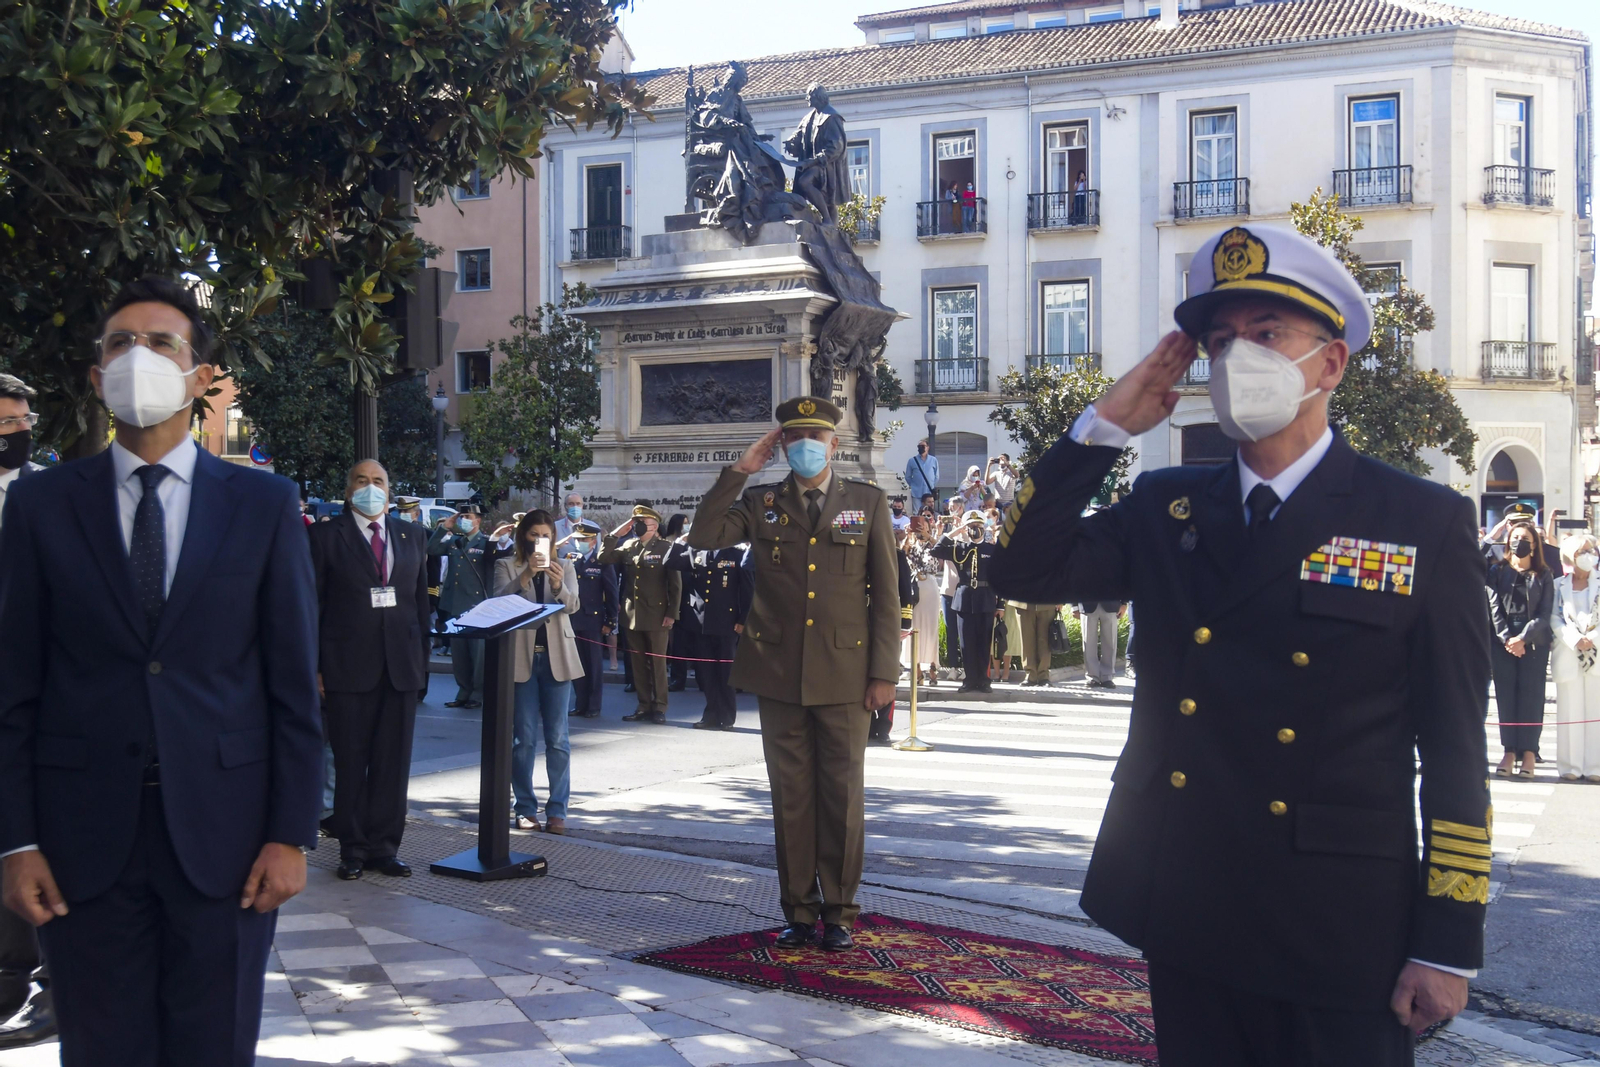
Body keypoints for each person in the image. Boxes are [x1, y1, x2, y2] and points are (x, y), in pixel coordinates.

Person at [989, 224, 1491, 1063]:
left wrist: (1446, 941)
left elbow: (1454, 749)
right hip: (1192, 903)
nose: (1235, 360)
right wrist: (1104, 426)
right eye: (1219, 342)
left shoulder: (1419, 522)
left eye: (1266, 336)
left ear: (1328, 365)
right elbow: (1019, 564)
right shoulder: (1167, 506)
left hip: (1339, 924)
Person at [0, 276, 322, 1065]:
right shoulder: (41, 506)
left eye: (162, 342)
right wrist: (15, 843)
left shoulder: (263, 503)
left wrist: (291, 833)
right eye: (119, 343)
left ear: (202, 374)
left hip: (229, 840)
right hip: (80, 842)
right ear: (94, 374)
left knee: (212, 1048)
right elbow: (14, 687)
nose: (137, 356)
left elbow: (292, 683)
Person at [688, 396, 899, 951]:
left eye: (816, 438)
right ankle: (800, 911)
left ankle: (840, 912)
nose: (805, 446)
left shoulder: (867, 503)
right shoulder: (761, 502)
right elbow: (703, 537)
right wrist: (739, 471)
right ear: (783, 445)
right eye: (794, 438)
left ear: (834, 444)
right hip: (778, 672)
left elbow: (884, 594)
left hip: (847, 673)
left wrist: (884, 674)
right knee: (792, 797)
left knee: (842, 796)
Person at [308, 460, 431, 881]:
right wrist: (317, 668)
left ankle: (384, 848)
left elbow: (420, 606)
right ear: (348, 490)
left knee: (392, 764)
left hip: (400, 668)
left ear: (390, 489)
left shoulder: (412, 535)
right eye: (362, 480)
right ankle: (353, 849)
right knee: (350, 761)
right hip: (346, 669)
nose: (371, 488)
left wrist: (422, 666)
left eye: (379, 480)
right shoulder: (324, 536)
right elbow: (313, 607)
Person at [0, 373, 54, 1052]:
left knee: (38, 837)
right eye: (2, 424)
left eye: (21, 420)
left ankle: (49, 985)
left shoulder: (53, 495)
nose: (15, 433)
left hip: (41, 703)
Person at [493, 511, 582, 835]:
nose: (540, 541)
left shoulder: (566, 565)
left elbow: (573, 606)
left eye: (546, 535)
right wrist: (526, 576)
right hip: (521, 658)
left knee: (558, 738)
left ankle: (557, 811)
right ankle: (526, 808)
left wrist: (558, 584)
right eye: (534, 535)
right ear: (523, 536)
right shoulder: (507, 565)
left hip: (558, 657)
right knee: (524, 739)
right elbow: (498, 602)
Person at [599, 505, 681, 724]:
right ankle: (644, 705)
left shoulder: (666, 548)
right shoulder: (628, 545)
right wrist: (615, 534)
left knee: (657, 664)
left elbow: (675, 585)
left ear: (654, 525)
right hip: (632, 615)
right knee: (637, 663)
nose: (637, 525)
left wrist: (672, 613)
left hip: (657, 614)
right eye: (635, 521)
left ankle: (660, 707)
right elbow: (603, 557)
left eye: (642, 521)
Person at [1487, 519, 1554, 779]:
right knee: (1506, 697)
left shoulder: (1544, 574)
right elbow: (1493, 608)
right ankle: (1509, 751)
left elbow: (1544, 613)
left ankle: (1528, 753)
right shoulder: (1497, 571)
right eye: (1514, 538)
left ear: (1534, 546)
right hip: (1503, 644)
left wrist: (1523, 639)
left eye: (1525, 538)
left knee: (1531, 696)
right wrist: (1507, 639)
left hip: (1533, 645)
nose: (1519, 543)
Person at [666, 539, 754, 730]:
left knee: (725, 672)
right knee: (706, 673)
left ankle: (727, 716)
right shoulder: (698, 552)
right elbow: (671, 562)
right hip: (701, 622)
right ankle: (711, 714)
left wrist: (742, 620)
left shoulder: (736, 553)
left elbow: (747, 589)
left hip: (726, 623)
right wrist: (682, 541)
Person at [429, 505, 490, 708]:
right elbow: (431, 549)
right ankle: (463, 691)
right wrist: (444, 527)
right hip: (455, 605)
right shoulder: (455, 542)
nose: (463, 519)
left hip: (476, 606)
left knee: (478, 655)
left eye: (468, 516)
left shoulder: (486, 543)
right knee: (460, 654)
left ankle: (477, 694)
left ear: (478, 520)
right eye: (461, 516)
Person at [931, 511, 998, 695]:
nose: (975, 530)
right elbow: (935, 550)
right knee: (966, 643)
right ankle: (969, 680)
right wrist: (955, 531)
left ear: (984, 528)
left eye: (978, 526)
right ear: (966, 529)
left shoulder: (992, 549)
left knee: (984, 642)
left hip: (985, 598)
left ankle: (984, 680)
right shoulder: (958, 548)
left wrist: (1000, 605)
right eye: (971, 526)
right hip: (964, 600)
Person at [1552, 533, 1600, 781]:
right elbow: (1554, 618)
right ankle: (1570, 766)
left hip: (1597, 653)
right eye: (1583, 551)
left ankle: (1595, 767)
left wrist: (1592, 639)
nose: (1589, 555)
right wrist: (1574, 639)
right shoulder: (1558, 584)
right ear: (1571, 556)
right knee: (1570, 711)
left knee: (1595, 710)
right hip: (1569, 653)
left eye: (1592, 550)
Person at [563, 522, 617, 719]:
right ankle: (580, 703)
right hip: (573, 618)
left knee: (593, 665)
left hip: (593, 620)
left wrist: (611, 621)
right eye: (577, 540)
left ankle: (594, 705)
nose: (580, 543)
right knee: (576, 664)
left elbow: (611, 592)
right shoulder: (570, 559)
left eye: (584, 540)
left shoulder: (602, 562)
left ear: (593, 541)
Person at [903, 517, 942, 688]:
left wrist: (928, 535)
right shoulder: (911, 545)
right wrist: (908, 535)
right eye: (918, 525)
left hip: (930, 586)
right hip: (913, 587)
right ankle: (916, 670)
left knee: (931, 628)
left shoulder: (934, 543)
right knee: (914, 627)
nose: (920, 528)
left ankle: (933, 668)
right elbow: (900, 553)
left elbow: (942, 550)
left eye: (923, 525)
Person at [663, 514, 694, 692]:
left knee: (698, 642)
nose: (686, 527)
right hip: (677, 599)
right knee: (679, 643)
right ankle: (678, 678)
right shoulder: (670, 544)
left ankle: (702, 678)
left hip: (694, 598)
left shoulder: (696, 544)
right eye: (683, 524)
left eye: (688, 523)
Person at [1011, 600, 1060, 687]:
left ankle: (1044, 676)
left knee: (1045, 641)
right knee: (1026, 641)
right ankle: (1030, 675)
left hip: (1047, 601)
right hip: (1023, 601)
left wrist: (1061, 599)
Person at [1078, 600, 1123, 689]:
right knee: (1088, 643)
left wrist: (1124, 603)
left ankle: (1107, 677)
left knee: (1110, 643)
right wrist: (1074, 606)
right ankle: (1092, 676)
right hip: (1087, 604)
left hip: (1111, 604)